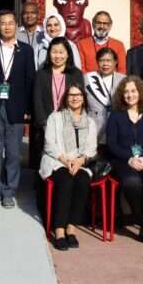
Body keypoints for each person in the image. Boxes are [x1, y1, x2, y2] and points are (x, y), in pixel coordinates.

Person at [0, 10, 34, 209]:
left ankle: (9, 191)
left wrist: (28, 108)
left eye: (11, 23)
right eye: (3, 23)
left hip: (16, 107)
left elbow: (30, 81)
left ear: (16, 25)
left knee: (13, 152)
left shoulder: (26, 50)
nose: (7, 26)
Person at [104, 77, 143, 245]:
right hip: (122, 161)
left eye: (133, 91)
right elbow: (112, 144)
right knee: (132, 181)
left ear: (140, 93)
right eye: (126, 92)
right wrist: (129, 159)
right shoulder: (116, 116)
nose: (130, 95)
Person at [41, 83, 96, 250]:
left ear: (84, 98)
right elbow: (49, 144)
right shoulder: (55, 117)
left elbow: (91, 148)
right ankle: (59, 230)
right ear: (66, 98)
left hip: (79, 163)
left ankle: (71, 228)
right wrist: (66, 161)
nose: (75, 98)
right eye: (71, 95)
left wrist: (79, 161)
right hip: (57, 161)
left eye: (78, 95)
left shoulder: (90, 121)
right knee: (66, 181)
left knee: (82, 180)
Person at [31, 37, 85, 169]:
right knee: (46, 161)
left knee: (67, 161)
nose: (58, 56)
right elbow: (37, 100)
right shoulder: (41, 74)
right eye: (54, 52)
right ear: (49, 53)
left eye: (61, 52)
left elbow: (79, 100)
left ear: (68, 54)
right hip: (46, 125)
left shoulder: (76, 74)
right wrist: (44, 124)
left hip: (69, 124)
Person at [82, 46, 123, 131]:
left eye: (108, 61)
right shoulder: (87, 79)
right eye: (101, 61)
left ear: (115, 62)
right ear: (97, 62)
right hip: (94, 126)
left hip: (117, 127)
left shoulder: (123, 80)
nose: (105, 64)